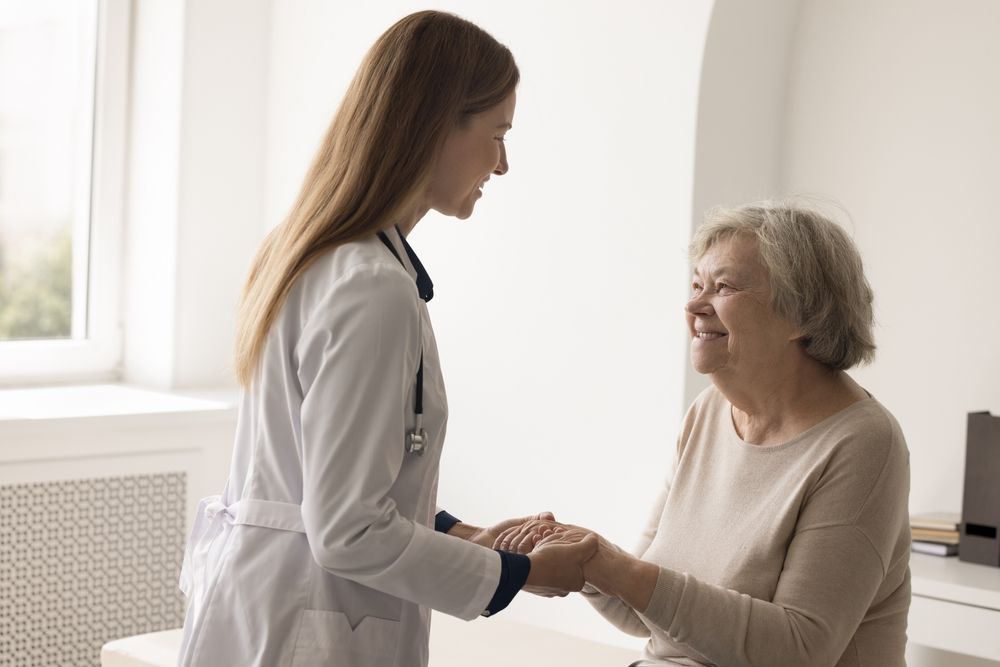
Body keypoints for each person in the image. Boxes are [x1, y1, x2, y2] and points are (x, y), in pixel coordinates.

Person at [176, 11, 595, 667]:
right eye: (497, 133)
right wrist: (521, 576)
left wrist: (471, 536)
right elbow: (347, 530)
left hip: (268, 603)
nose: (503, 164)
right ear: (436, 126)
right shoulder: (372, 288)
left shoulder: (311, 254)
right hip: (308, 625)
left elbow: (340, 483)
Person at [499, 201, 911, 667]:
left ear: (802, 314)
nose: (694, 305)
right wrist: (582, 559)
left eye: (723, 287)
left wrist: (616, 568)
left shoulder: (863, 442)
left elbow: (801, 649)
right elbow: (646, 613)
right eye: (696, 284)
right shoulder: (709, 412)